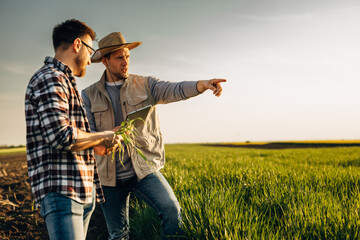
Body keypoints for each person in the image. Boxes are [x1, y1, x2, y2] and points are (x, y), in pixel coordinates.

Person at [81, 32, 226, 240]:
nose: (126, 62)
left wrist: (202, 85)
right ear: (105, 61)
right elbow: (88, 134)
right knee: (118, 234)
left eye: (128, 56)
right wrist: (105, 137)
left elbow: (174, 89)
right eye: (120, 58)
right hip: (108, 178)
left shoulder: (146, 85)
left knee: (171, 210)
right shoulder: (88, 95)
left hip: (143, 170)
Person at [25, 20, 122, 240]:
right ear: (77, 45)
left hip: (78, 191)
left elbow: (69, 136)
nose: (90, 59)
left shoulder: (63, 81)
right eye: (90, 50)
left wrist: (94, 144)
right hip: (63, 192)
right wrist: (103, 136)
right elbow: (61, 136)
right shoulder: (51, 78)